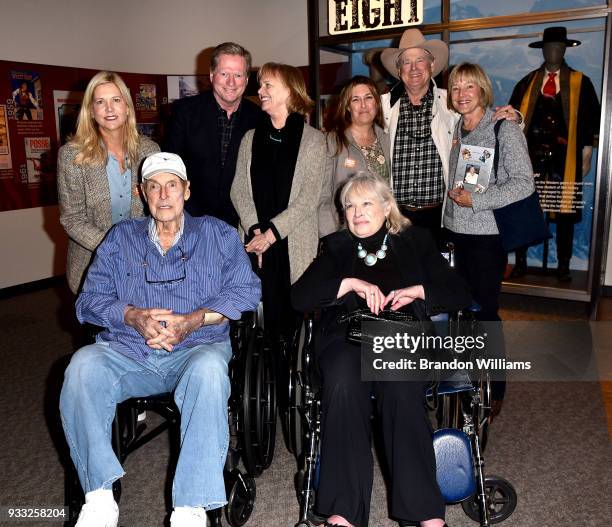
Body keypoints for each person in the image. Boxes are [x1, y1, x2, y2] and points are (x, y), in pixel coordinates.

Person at [60, 152, 261, 527]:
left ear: (186, 190)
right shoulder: (120, 239)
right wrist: (132, 316)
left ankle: (189, 508)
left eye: (172, 185)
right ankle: (99, 495)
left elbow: (246, 290)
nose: (164, 195)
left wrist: (195, 319)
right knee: (82, 367)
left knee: (208, 372)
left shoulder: (218, 234)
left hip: (197, 348)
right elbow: (88, 300)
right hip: (130, 353)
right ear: (142, 193)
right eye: (154, 187)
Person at [292, 172, 470, 527]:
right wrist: (347, 283)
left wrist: (419, 291)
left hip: (399, 337)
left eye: (366, 203)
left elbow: (459, 292)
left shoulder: (416, 241)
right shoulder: (336, 246)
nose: (357, 212)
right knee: (343, 382)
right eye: (350, 206)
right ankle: (345, 511)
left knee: (402, 389)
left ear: (387, 206)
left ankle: (425, 512)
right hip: (346, 337)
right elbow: (298, 297)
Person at [379, 28, 518, 245]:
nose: (414, 68)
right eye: (406, 62)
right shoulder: (383, 106)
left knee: (434, 277)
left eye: (420, 60)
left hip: (439, 215)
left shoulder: (451, 103)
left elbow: (484, 119)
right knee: (399, 276)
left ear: (432, 66)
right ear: (399, 70)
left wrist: (515, 117)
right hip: (396, 214)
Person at [230, 62, 327, 346]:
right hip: (254, 242)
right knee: (255, 327)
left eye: (267, 85)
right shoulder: (250, 138)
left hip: (293, 245)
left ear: (289, 91)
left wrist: (271, 234)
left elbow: (308, 198)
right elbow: (239, 190)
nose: (259, 91)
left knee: (294, 327)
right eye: (260, 85)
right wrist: (257, 231)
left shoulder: (313, 141)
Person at [508, 26, 600, 282]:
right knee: (527, 211)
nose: (553, 51)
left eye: (558, 47)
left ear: (565, 49)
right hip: (531, 160)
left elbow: (592, 120)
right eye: (549, 47)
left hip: (565, 159)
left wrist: (587, 153)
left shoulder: (581, 83)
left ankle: (563, 265)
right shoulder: (528, 83)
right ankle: (522, 263)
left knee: (565, 216)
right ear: (543, 50)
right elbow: (512, 119)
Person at [57, 71, 160, 295]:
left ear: (128, 107)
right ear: (91, 112)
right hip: (92, 267)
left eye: (116, 100)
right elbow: (72, 219)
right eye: (100, 102)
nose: (110, 109)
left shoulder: (150, 151)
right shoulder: (72, 156)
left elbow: (159, 209)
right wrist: (116, 247)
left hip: (144, 268)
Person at [165, 42, 261, 226]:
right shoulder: (185, 112)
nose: (231, 82)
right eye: (224, 74)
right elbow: (170, 170)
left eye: (238, 75)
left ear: (247, 79)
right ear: (211, 75)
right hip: (190, 222)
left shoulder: (260, 119)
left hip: (241, 227)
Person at [318, 75, 390, 237]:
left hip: (383, 229)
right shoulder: (332, 141)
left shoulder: (387, 139)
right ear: (348, 106)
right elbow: (323, 197)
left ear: (377, 102)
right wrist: (331, 236)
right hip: (346, 232)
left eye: (368, 97)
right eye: (355, 99)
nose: (363, 105)